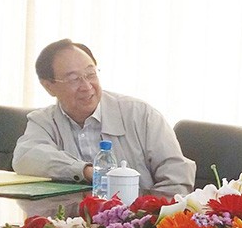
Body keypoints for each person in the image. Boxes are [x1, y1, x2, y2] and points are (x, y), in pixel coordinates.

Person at [13, 38, 196, 196]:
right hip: (71, 221)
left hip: (139, 219)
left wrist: (144, 214)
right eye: (74, 79)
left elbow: (177, 178)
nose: (87, 86)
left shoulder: (140, 115)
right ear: (49, 86)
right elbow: (25, 157)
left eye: (90, 74)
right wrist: (86, 171)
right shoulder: (43, 121)